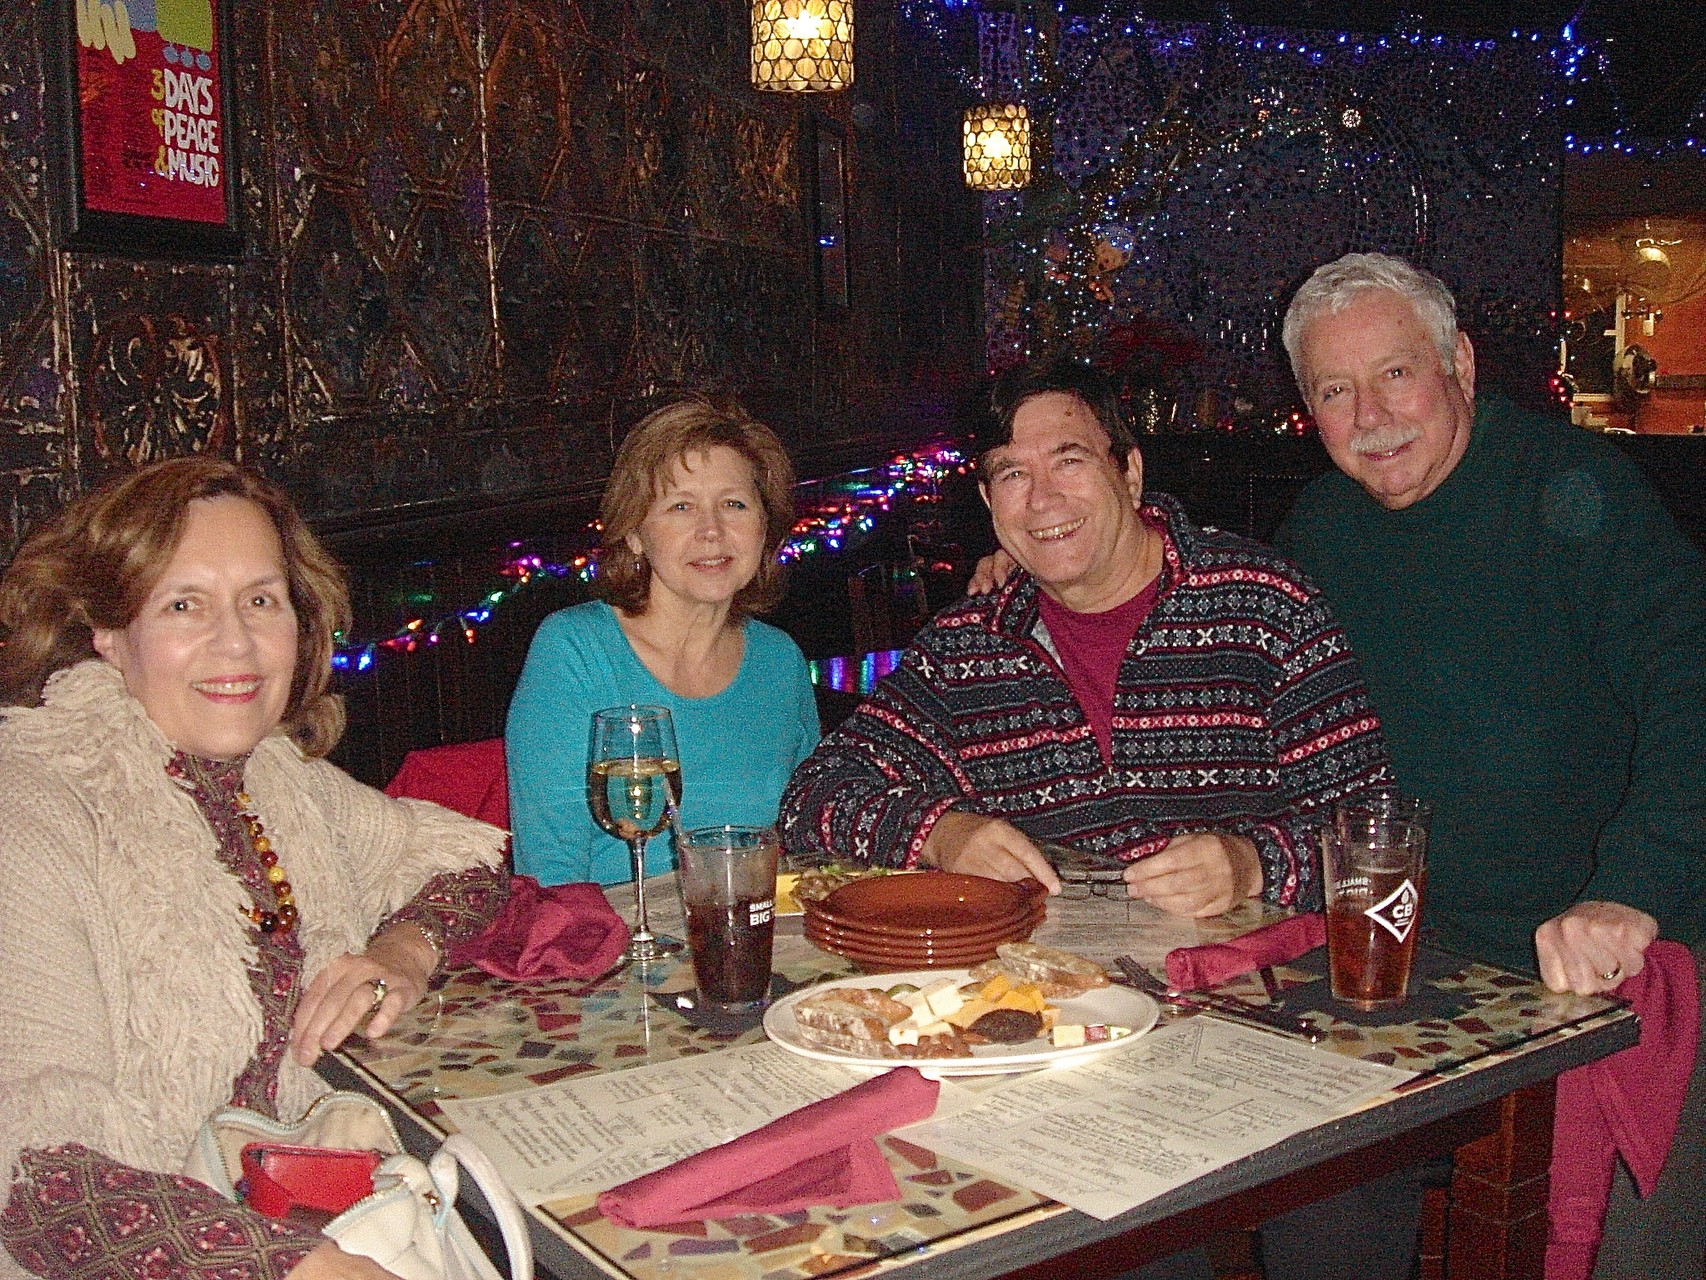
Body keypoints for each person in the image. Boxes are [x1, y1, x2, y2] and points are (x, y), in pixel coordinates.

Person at [1275, 251, 1705, 1278]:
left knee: (1633, 1238)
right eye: (1333, 390)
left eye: (1394, 374)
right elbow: (1208, 618)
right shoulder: (1319, 531)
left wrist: (1629, 891)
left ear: (1458, 364)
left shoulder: (1577, 494)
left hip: (1620, 951)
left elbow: (1691, 682)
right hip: (1412, 967)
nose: (1369, 414)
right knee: (1306, 1204)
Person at [0, 458, 510, 1280]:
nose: (235, 643)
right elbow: (31, 1178)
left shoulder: (277, 779)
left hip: (320, 1211)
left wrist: (401, 954)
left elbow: (468, 861)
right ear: (107, 629)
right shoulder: (31, 809)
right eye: (183, 604)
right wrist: (298, 1268)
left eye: (261, 601)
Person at [778, 357, 1389, 915]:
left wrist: (1252, 864)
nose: (1043, 498)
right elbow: (811, 799)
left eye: (1070, 460)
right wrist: (939, 834)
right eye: (1014, 474)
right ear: (991, 501)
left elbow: (1374, 833)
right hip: (1055, 998)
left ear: (1128, 472)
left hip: (1250, 995)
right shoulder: (967, 649)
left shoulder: (1262, 604)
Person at [507, 396, 820, 886]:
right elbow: (549, 875)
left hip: (756, 935)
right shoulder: (575, 652)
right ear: (635, 533)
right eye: (681, 507)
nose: (712, 531)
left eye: (733, 504)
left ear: (766, 527)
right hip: (616, 944)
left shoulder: (780, 661)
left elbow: (809, 838)